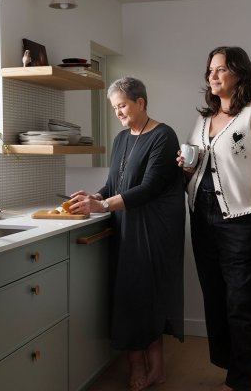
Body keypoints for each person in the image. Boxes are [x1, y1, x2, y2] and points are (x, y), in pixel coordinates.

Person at [178, 46, 251, 391]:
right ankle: (233, 368)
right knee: (216, 297)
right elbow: (197, 164)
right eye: (210, 69)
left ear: (240, 73)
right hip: (203, 218)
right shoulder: (203, 120)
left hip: (245, 222)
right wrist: (185, 167)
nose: (213, 75)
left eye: (222, 69)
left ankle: (242, 383)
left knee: (246, 304)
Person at [69, 77, 185, 391]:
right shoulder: (121, 139)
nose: (118, 113)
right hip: (125, 226)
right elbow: (113, 186)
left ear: (141, 102)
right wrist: (93, 198)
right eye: (115, 108)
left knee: (147, 296)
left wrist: (103, 204)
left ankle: (154, 366)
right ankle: (139, 363)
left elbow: (149, 188)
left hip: (155, 229)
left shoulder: (163, 136)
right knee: (130, 296)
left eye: (122, 105)